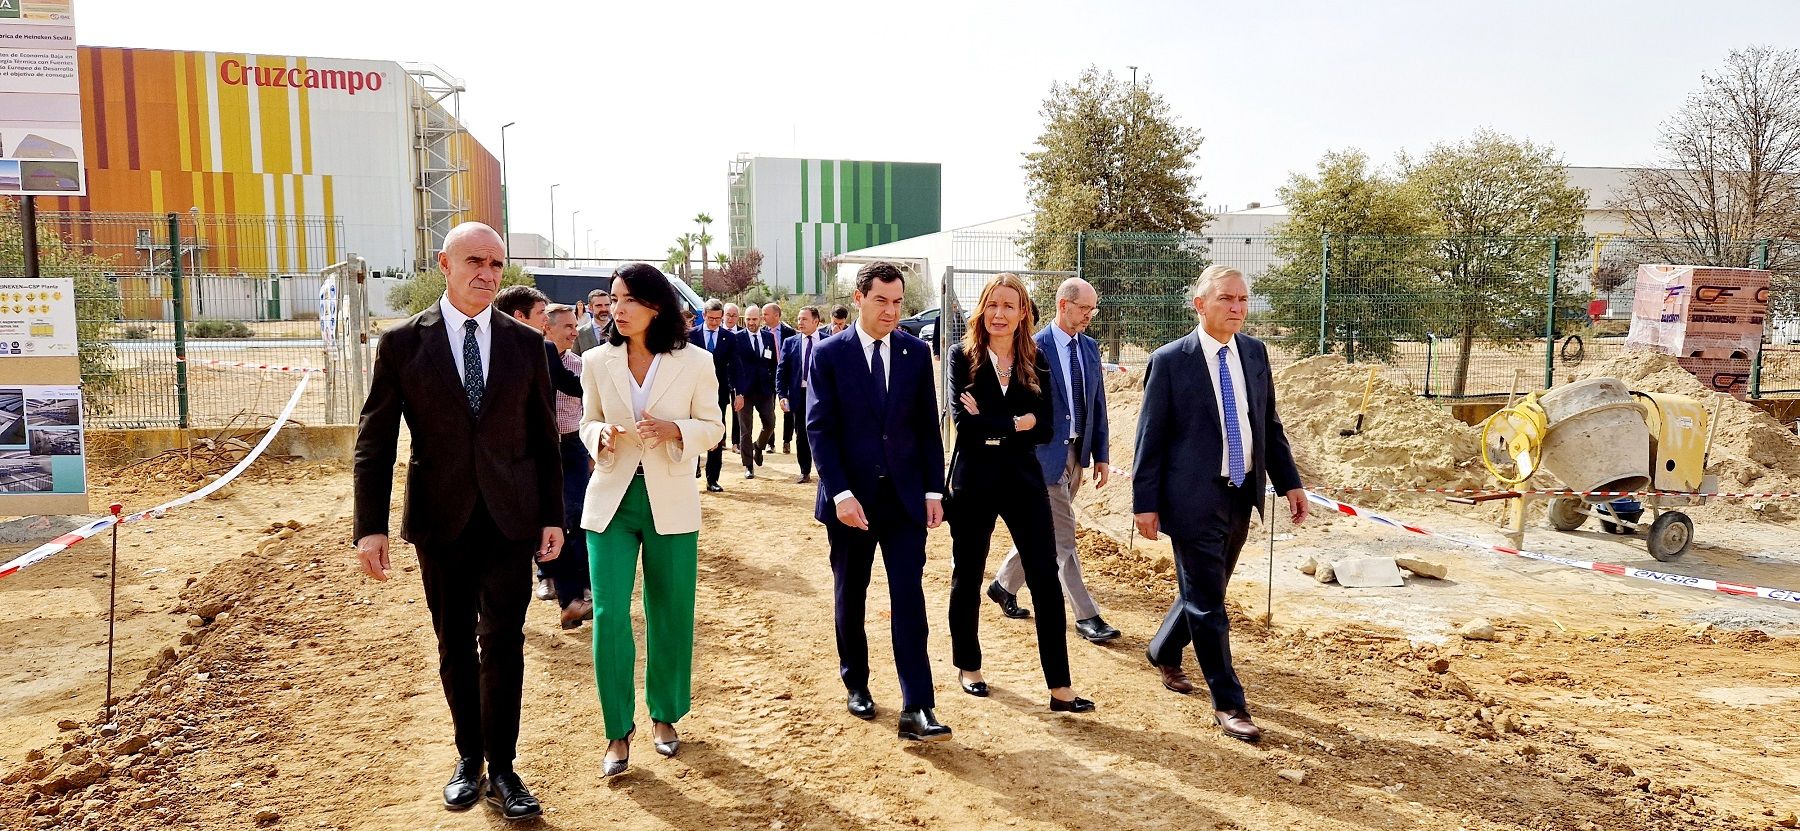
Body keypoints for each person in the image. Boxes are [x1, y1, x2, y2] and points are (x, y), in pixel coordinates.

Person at [352, 222, 561, 821]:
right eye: (476, 261)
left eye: (497, 265)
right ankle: (467, 757)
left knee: (503, 639)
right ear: (444, 263)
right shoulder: (401, 345)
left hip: (510, 518)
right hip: (441, 520)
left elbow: (545, 442)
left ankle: (504, 767)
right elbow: (374, 442)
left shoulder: (526, 346)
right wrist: (371, 525)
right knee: (454, 642)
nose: (488, 275)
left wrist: (552, 516)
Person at [1135, 265, 1308, 744]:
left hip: (1241, 493)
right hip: (1191, 498)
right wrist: (1144, 502)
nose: (1237, 308)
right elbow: (1151, 436)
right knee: (1210, 603)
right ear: (1200, 304)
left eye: (1243, 300)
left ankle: (1164, 649)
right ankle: (1230, 703)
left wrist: (1289, 482)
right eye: (1227, 299)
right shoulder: (1170, 361)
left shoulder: (1254, 353)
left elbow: (1267, 425)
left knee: (1205, 590)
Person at [578, 263, 725, 777]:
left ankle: (665, 715)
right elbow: (586, 420)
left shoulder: (697, 362)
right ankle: (617, 730)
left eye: (628, 301)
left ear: (655, 306)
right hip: (611, 500)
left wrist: (674, 429)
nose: (616, 310)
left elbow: (714, 427)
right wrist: (597, 437)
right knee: (609, 615)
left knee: (670, 611)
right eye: (614, 300)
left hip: (671, 497)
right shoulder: (596, 361)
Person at [806, 261, 951, 742]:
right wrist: (841, 493)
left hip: (906, 500)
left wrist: (934, 490)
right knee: (852, 593)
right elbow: (819, 430)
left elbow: (928, 429)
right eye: (881, 300)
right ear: (860, 297)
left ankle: (918, 705)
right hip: (851, 503)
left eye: (897, 302)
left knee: (908, 597)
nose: (891, 311)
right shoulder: (829, 354)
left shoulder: (914, 352)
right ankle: (857, 683)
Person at [943, 273, 1093, 713]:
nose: (999, 314)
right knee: (967, 574)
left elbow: (1046, 426)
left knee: (1045, 577)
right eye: (992, 305)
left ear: (1024, 312)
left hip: (1024, 480)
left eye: (1009, 305)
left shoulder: (1037, 360)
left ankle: (1060, 688)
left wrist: (997, 421)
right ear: (982, 310)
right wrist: (1015, 423)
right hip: (973, 481)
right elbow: (965, 427)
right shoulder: (961, 358)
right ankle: (969, 666)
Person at [989, 278, 1119, 642]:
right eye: (1083, 309)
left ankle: (1003, 585)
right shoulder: (1031, 347)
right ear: (1063, 305)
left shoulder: (1090, 348)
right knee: (1063, 537)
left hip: (1076, 454)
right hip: (1041, 458)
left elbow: (1098, 404)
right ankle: (1086, 615)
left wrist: (1102, 455)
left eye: (1093, 310)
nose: (1089, 316)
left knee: (1042, 531)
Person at [545, 303, 595, 629]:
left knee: (578, 519)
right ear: (546, 329)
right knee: (557, 525)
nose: (574, 332)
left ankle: (579, 596)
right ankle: (570, 599)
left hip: (575, 448)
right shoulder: (531, 362)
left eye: (575, 326)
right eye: (567, 326)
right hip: (544, 454)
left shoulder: (581, 366)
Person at [688, 299, 737, 493]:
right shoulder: (690, 336)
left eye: (718, 318)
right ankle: (690, 474)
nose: (715, 322)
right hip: (690, 393)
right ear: (704, 316)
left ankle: (712, 479)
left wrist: (738, 392)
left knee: (716, 434)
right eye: (711, 318)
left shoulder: (729, 338)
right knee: (690, 434)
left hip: (718, 394)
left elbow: (735, 366)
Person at [777, 306, 824, 484]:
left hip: (821, 394)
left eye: (804, 319)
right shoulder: (791, 342)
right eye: (798, 319)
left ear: (816, 321)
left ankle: (823, 469)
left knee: (822, 431)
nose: (800, 322)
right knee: (802, 434)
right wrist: (782, 394)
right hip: (800, 394)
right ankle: (805, 471)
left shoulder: (827, 342)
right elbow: (781, 371)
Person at [732, 308, 778, 478]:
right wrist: (738, 391)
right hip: (745, 392)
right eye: (748, 319)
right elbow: (734, 367)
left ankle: (758, 446)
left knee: (770, 424)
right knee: (746, 430)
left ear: (760, 319)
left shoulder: (768, 337)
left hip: (765, 390)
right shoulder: (737, 338)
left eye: (754, 319)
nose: (751, 323)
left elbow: (773, 363)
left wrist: (774, 385)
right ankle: (748, 465)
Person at [762, 303, 797, 453]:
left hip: (786, 375)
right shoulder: (762, 332)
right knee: (769, 410)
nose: (763, 317)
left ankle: (786, 441)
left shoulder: (790, 332)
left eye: (766, 314)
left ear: (776, 315)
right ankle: (771, 442)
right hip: (768, 376)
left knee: (787, 408)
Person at [576, 288, 611, 354]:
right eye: (599, 305)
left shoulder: (621, 331)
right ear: (590, 308)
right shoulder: (580, 333)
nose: (604, 309)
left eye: (607, 305)